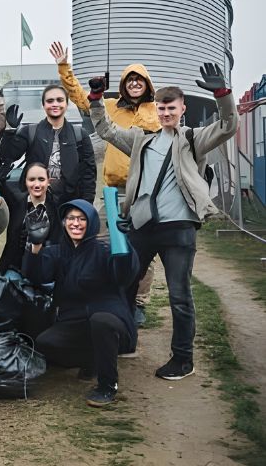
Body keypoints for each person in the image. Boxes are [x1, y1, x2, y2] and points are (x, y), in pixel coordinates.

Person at [91, 63, 238, 380]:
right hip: (144, 228)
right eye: (161, 107)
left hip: (178, 230)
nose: (166, 112)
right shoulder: (143, 141)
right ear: (155, 109)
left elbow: (228, 125)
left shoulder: (192, 139)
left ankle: (183, 359)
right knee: (125, 286)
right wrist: (95, 98)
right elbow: (105, 129)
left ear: (182, 109)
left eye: (171, 107)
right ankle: (126, 341)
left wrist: (222, 94)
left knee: (179, 295)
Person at [52, 41, 160, 324]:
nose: (135, 83)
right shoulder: (111, 107)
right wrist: (65, 67)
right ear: (123, 85)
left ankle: (138, 301)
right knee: (101, 241)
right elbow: (81, 99)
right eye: (129, 79)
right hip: (113, 190)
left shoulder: (157, 111)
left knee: (142, 248)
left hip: (145, 191)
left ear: (147, 84)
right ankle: (105, 292)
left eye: (139, 79)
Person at [24, 200, 140, 407]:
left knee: (101, 321)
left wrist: (126, 243)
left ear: (92, 222)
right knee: (45, 343)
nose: (75, 223)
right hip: (75, 320)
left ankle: (107, 385)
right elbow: (37, 276)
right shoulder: (58, 252)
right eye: (70, 218)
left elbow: (125, 275)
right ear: (63, 222)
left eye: (82, 218)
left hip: (110, 318)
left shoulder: (104, 250)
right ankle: (91, 360)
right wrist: (36, 245)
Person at [0, 85, 96, 208]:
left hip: (69, 203)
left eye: (60, 100)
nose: (55, 104)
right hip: (35, 202)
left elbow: (89, 173)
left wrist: (86, 205)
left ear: (66, 104)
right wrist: (10, 131)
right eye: (50, 101)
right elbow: (7, 156)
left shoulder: (80, 134)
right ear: (43, 105)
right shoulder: (30, 132)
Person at [0, 162, 63, 276]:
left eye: (41, 179)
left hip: (45, 269)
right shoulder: (17, 202)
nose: (36, 184)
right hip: (14, 268)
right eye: (32, 179)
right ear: (25, 182)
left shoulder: (57, 206)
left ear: (49, 181)